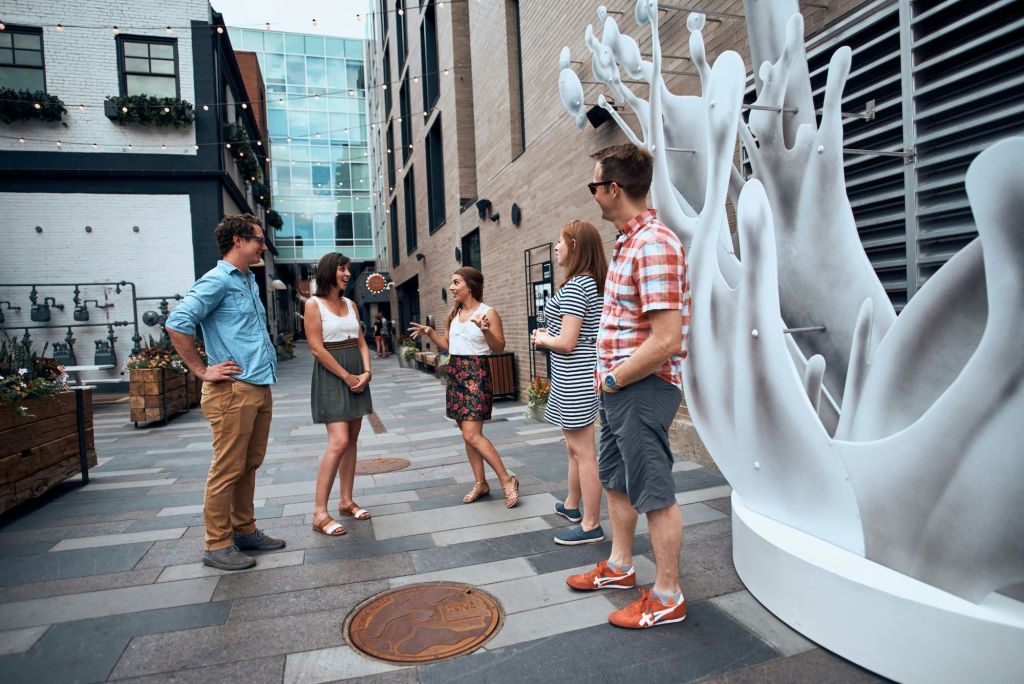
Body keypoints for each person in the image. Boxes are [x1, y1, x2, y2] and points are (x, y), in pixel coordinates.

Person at [565, 143, 690, 629]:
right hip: (621, 390)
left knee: (654, 490)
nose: (593, 193)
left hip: (641, 387)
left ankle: (667, 595)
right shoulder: (629, 243)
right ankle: (620, 566)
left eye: (594, 185)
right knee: (617, 480)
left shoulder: (653, 245)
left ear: (613, 188)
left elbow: (667, 338)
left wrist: (615, 378)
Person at [166, 214, 286, 571]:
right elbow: (177, 322)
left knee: (249, 464)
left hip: (257, 386)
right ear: (238, 240)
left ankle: (244, 530)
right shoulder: (217, 280)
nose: (263, 246)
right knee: (227, 468)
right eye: (258, 239)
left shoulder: (248, 280)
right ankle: (217, 543)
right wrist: (202, 370)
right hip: (233, 391)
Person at [408, 267, 520, 507]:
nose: (451, 287)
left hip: (476, 374)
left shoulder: (488, 312)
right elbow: (448, 345)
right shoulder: (455, 313)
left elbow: (498, 348)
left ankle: (507, 479)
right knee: (467, 435)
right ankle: (481, 483)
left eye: (456, 282)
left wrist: (486, 331)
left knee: (472, 434)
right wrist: (430, 332)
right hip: (456, 373)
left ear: (470, 286)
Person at [531, 220, 608, 545]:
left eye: (561, 241)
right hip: (576, 374)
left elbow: (567, 342)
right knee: (574, 447)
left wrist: (542, 338)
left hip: (574, 375)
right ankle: (573, 505)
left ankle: (591, 525)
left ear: (575, 246)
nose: (557, 247)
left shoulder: (578, 286)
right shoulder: (589, 283)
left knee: (583, 451)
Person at [304, 253, 374, 536]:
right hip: (333, 374)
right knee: (339, 441)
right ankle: (319, 513)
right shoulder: (313, 304)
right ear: (328, 271)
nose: (347, 274)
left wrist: (367, 372)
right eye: (342, 269)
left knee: (352, 439)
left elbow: (361, 342)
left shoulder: (351, 304)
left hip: (357, 372)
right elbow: (316, 348)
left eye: (348, 269)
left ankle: (346, 501)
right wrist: (346, 376)